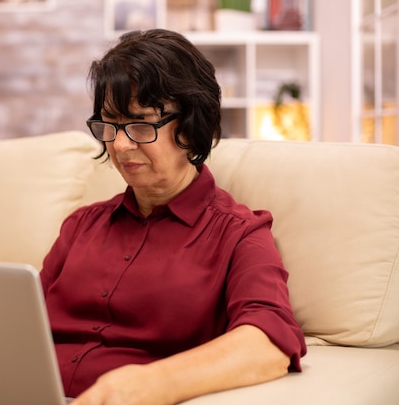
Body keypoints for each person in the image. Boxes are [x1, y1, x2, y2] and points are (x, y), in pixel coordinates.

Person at [40, 29, 307, 405]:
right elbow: (22, 325)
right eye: (109, 125)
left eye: (140, 124)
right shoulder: (81, 225)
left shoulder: (240, 234)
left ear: (192, 124)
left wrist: (146, 385)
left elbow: (269, 342)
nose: (119, 144)